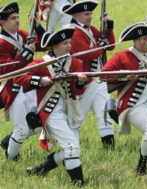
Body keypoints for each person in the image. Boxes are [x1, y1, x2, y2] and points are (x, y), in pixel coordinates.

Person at [14, 27, 88, 185]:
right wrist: (40, 81)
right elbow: (18, 77)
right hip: (50, 112)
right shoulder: (41, 62)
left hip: (71, 110)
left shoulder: (75, 63)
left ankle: (41, 169)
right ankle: (78, 182)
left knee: (71, 148)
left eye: (69, 42)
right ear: (53, 46)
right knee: (72, 146)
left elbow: (76, 91)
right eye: (64, 43)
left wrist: (81, 82)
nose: (69, 46)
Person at [101, 22, 147, 176]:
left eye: (146, 38)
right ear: (134, 41)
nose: (142, 42)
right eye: (139, 39)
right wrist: (126, 76)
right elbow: (103, 75)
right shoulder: (122, 56)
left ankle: (146, 171)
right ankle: (141, 171)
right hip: (132, 104)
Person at [61, 0, 116, 149]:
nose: (90, 17)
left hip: (98, 79)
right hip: (82, 82)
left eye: (91, 13)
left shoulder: (90, 29)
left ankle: (109, 149)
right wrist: (101, 46)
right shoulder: (71, 31)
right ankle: (70, 149)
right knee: (76, 119)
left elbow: (110, 45)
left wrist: (108, 26)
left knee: (104, 113)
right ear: (75, 15)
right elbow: (85, 54)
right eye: (87, 14)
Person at [0, 1, 47, 160]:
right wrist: (26, 53)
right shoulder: (0, 43)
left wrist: (38, 27)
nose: (17, 20)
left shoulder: (22, 34)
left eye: (18, 17)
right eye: (13, 18)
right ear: (2, 22)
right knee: (21, 129)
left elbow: (45, 45)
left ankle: (8, 141)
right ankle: (11, 158)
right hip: (12, 88)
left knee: (39, 124)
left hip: (29, 85)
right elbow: (7, 68)